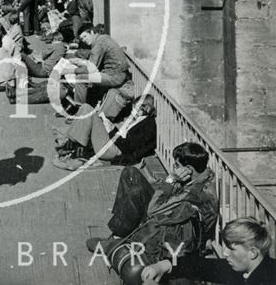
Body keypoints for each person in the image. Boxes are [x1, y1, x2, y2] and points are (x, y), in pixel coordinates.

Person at [86, 142, 219, 265]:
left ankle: (117, 240)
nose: (174, 168)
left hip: (169, 226)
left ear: (189, 169)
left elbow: (152, 210)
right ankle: (118, 235)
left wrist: (171, 180)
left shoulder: (194, 193)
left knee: (134, 183)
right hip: (172, 215)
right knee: (131, 173)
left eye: (177, 165)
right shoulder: (203, 179)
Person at [141, 217, 276, 285]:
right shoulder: (248, 268)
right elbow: (202, 266)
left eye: (231, 249)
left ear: (252, 252)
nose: (225, 253)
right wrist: (165, 265)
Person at [52, 95, 157, 170]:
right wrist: (111, 128)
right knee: (85, 107)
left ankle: (75, 150)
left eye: (136, 108)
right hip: (113, 143)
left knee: (88, 109)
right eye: (133, 108)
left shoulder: (147, 124)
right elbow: (124, 137)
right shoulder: (138, 120)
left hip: (115, 150)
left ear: (146, 108)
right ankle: (73, 145)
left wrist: (113, 131)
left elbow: (130, 145)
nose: (133, 111)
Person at [66, 23, 134, 108]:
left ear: (91, 32)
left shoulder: (99, 43)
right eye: (81, 38)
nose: (84, 40)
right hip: (117, 74)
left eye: (85, 36)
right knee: (87, 79)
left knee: (80, 78)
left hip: (114, 76)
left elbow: (90, 68)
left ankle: (79, 110)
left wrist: (71, 70)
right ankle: (89, 106)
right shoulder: (103, 38)